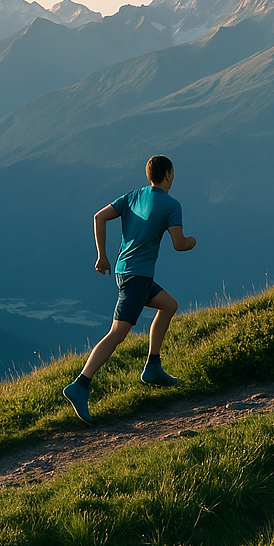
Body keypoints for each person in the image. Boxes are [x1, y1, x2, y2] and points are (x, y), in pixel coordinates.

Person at [63, 155, 197, 424]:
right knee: (117, 334)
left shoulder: (133, 196)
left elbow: (99, 217)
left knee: (169, 305)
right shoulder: (171, 204)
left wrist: (102, 256)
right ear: (168, 174)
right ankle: (80, 385)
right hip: (138, 277)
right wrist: (192, 241)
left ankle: (153, 366)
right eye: (173, 173)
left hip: (126, 272)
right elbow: (179, 244)